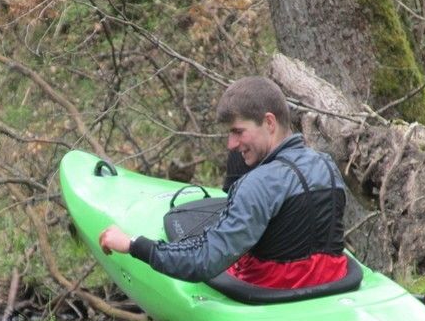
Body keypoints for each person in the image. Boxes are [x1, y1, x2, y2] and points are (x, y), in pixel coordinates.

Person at [98, 76, 348, 290]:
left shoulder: (257, 184)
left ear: (269, 123)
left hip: (271, 296)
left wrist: (134, 245)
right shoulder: (327, 166)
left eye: (238, 131)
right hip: (329, 287)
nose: (231, 144)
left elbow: (202, 261)